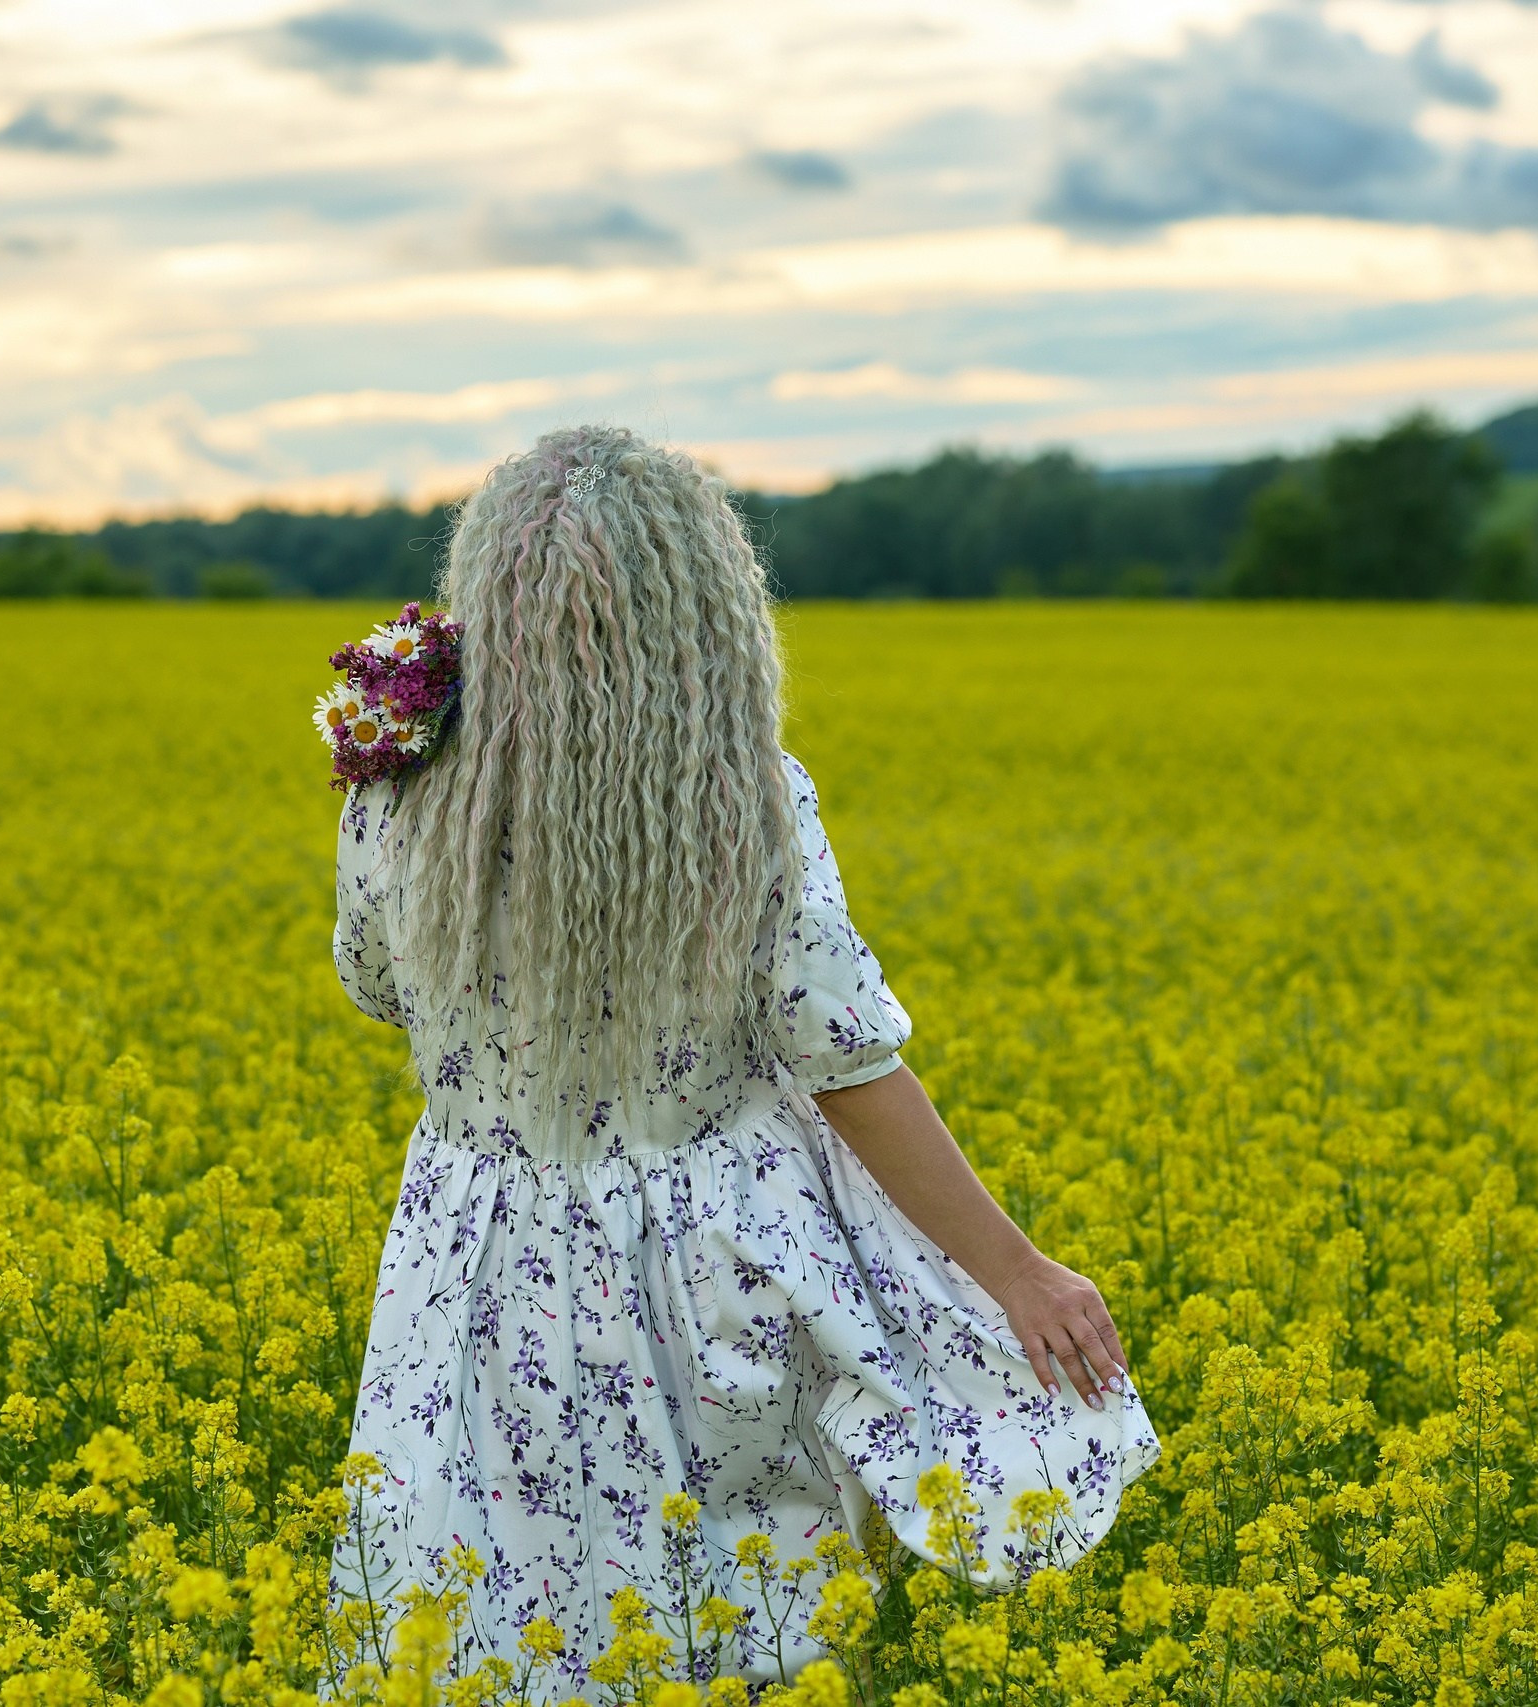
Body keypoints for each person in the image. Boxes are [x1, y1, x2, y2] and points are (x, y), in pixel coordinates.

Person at [324, 424, 1160, 1690]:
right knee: (731, 1616)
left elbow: (377, 989)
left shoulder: (393, 793)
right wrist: (1016, 1269)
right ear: (704, 611)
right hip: (698, 1253)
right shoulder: (742, 807)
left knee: (486, 1602)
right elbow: (846, 1061)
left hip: (473, 1247)